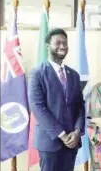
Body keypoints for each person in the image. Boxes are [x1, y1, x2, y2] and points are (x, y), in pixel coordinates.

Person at [28, 28, 85, 171]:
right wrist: (62, 135)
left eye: (65, 43)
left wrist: (77, 131)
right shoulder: (37, 73)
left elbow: (80, 106)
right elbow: (38, 108)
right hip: (50, 141)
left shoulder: (74, 75)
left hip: (72, 141)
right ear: (48, 46)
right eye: (58, 43)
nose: (62, 46)